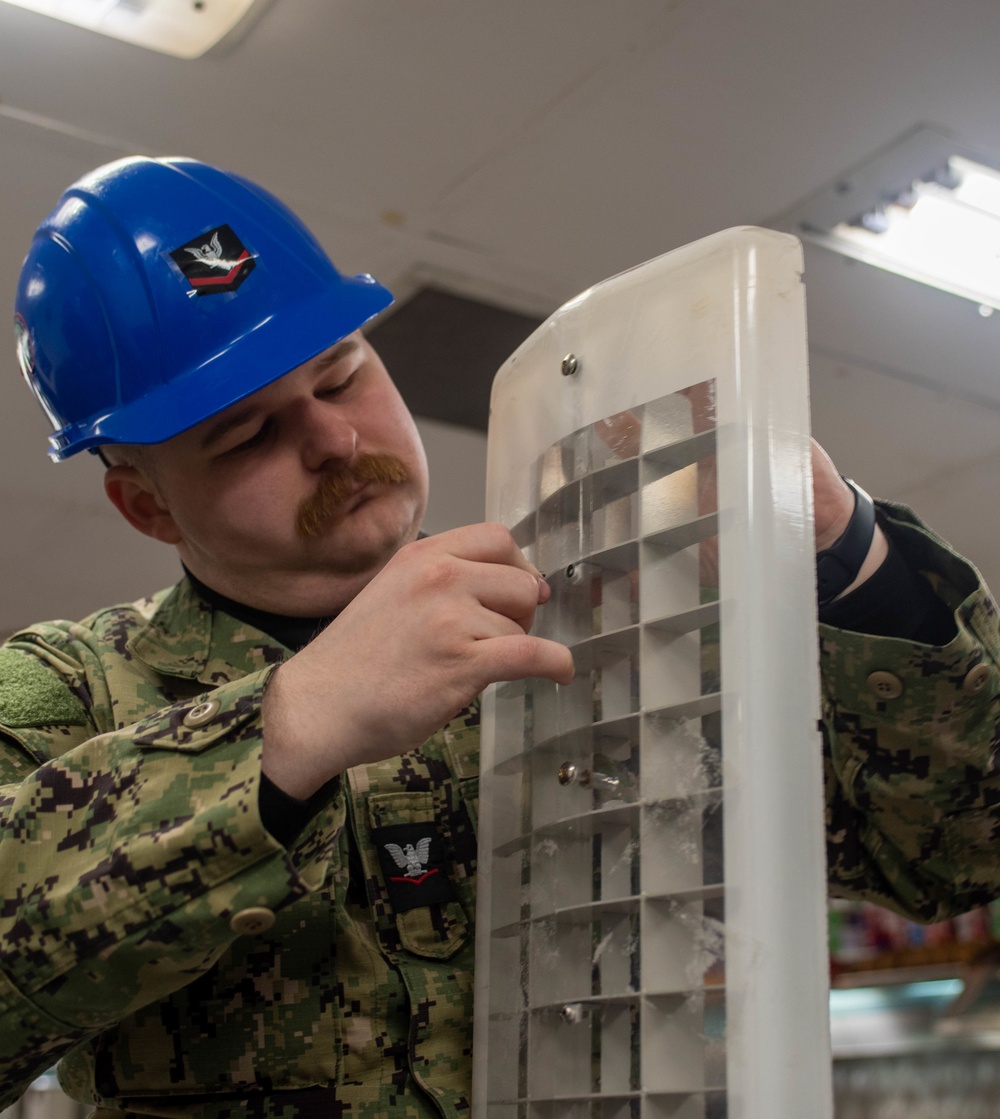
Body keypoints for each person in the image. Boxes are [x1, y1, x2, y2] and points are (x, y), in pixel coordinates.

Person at [1, 156, 997, 1117]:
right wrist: (291, 725)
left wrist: (839, 550)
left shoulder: (601, 626)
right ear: (146, 508)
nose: (336, 442)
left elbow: (957, 855)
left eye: (342, 377)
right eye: (250, 434)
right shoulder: (67, 695)